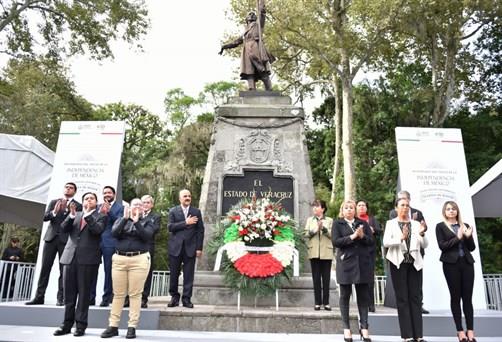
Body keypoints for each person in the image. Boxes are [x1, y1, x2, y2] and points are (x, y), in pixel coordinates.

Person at [53, 192, 106, 337]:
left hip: (88, 259)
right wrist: (70, 216)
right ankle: (66, 325)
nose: (89, 200)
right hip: (69, 258)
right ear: (82, 202)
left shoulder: (101, 216)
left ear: (96, 202)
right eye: (86, 199)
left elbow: (98, 230)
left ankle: (81, 326)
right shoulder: (75, 215)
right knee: (68, 295)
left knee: (83, 295)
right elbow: (63, 229)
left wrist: (88, 216)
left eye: (92, 199)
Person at [100, 198, 155, 339]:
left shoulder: (148, 221)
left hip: (139, 259)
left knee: (135, 294)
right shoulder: (121, 219)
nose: (137, 206)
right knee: (118, 294)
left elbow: (147, 236)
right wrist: (125, 219)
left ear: (143, 208)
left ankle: (132, 326)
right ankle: (113, 326)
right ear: (129, 207)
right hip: (119, 259)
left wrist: (137, 222)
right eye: (134, 204)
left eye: (140, 205)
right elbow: (114, 233)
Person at [26, 182, 82, 306]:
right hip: (50, 239)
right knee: (45, 268)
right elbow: (45, 217)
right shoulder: (54, 202)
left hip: (66, 241)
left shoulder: (78, 206)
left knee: (64, 271)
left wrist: (71, 214)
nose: (68, 189)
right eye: (66, 187)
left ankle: (61, 298)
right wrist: (54, 212)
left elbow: (76, 223)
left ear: (75, 191)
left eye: (71, 188)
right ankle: (39, 297)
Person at [383, 197, 428, 342]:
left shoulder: (415, 224)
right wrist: (401, 238)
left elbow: (425, 245)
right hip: (398, 263)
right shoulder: (391, 223)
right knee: (402, 299)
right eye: (402, 205)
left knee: (415, 298)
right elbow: (386, 242)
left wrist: (422, 234)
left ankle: (419, 336)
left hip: (415, 263)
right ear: (396, 208)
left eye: (407, 205)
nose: (405, 207)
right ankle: (407, 336)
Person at [332, 200, 373, 342]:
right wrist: (352, 237)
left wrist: (362, 236)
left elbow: (371, 241)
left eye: (351, 208)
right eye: (346, 208)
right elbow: (336, 242)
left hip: (362, 264)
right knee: (345, 296)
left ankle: (364, 328)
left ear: (355, 210)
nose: (349, 210)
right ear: (342, 210)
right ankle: (346, 329)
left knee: (363, 297)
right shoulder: (338, 224)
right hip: (345, 264)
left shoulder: (363, 223)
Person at [436, 201, 477, 342]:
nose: (451, 211)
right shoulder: (440, 226)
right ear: (444, 212)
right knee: (455, 297)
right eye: (448, 209)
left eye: (453, 209)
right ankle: (460, 331)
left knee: (467, 298)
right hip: (451, 265)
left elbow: (471, 248)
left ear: (457, 211)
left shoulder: (464, 225)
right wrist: (458, 238)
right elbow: (443, 246)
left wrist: (468, 236)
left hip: (467, 263)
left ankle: (470, 331)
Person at [219, 0, 275, 90]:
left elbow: (262, 12)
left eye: (253, 14)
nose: (252, 15)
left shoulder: (258, 25)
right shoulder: (245, 31)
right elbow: (236, 42)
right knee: (249, 72)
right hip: (247, 52)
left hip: (256, 48)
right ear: (246, 19)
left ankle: (269, 89)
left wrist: (261, 3)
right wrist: (224, 47)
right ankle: (251, 89)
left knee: (262, 70)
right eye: (249, 14)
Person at [389, 190, 429, 314]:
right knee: (402, 283)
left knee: (417, 282)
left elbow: (423, 228)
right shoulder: (392, 213)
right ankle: (404, 306)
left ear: (409, 200)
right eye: (401, 200)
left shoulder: (418, 212)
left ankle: (418, 304)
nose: (404, 205)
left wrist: (421, 227)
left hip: (416, 251)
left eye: (406, 200)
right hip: (400, 252)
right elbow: (394, 226)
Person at [167, 189, 204, 309]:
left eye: (189, 196)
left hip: (190, 248)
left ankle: (187, 299)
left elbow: (200, 230)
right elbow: (170, 227)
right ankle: (174, 297)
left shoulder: (196, 212)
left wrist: (199, 248)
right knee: (174, 274)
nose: (187, 198)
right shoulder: (173, 211)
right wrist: (185, 222)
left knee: (189, 275)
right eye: (185, 196)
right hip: (175, 248)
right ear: (180, 199)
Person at [90, 185, 124, 307]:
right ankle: (90, 297)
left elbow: (119, 224)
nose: (107, 195)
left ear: (114, 195)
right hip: (94, 242)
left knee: (108, 271)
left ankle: (107, 297)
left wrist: (109, 211)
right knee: (92, 270)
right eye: (105, 193)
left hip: (110, 243)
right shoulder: (98, 207)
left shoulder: (120, 208)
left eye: (109, 193)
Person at [304, 199, 333, 311]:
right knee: (316, 278)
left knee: (326, 279)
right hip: (314, 252)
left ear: (323, 209)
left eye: (317, 206)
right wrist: (315, 229)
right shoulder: (310, 220)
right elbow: (306, 234)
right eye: (313, 206)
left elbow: (332, 235)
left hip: (326, 252)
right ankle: (317, 302)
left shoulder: (330, 220)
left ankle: (326, 303)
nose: (314, 208)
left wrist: (323, 229)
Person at [356, 200, 381, 312]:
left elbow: (379, 230)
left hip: (369, 252)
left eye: (363, 205)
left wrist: (373, 230)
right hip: (356, 253)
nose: (361, 207)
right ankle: (361, 303)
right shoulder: (354, 220)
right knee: (358, 278)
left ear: (366, 208)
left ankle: (371, 304)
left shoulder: (371, 219)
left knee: (369, 278)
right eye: (359, 205)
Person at [140, 194, 161, 308]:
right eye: (143, 202)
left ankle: (144, 298)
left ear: (152, 205)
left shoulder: (156, 216)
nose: (145, 205)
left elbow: (154, 230)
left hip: (148, 247)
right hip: (135, 247)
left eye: (148, 203)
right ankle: (129, 298)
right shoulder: (136, 214)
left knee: (147, 274)